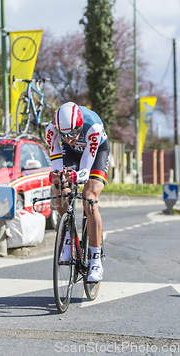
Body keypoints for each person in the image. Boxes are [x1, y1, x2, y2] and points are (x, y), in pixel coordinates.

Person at [46, 102, 110, 283]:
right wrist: (59, 176)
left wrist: (77, 176)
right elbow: (57, 165)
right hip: (71, 154)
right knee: (58, 182)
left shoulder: (93, 127)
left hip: (96, 153)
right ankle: (67, 235)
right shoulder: (51, 130)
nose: (68, 139)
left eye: (73, 134)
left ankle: (96, 259)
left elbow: (85, 171)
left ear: (80, 126)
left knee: (89, 198)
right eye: (63, 135)